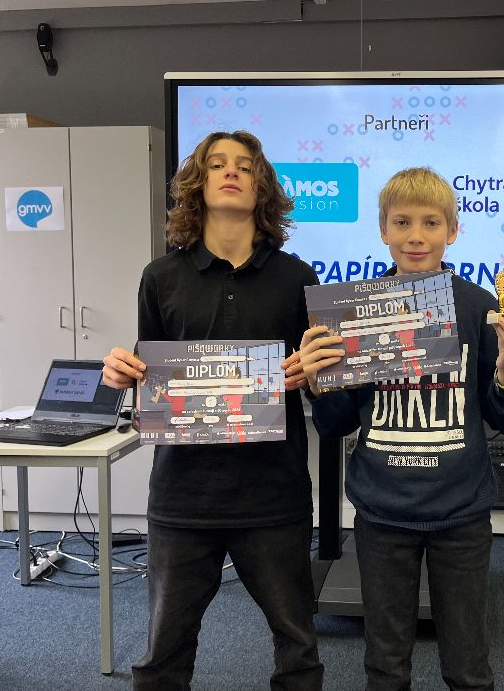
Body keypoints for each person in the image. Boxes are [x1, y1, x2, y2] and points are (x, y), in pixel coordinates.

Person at [101, 130, 324, 691]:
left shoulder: (297, 277)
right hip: (183, 495)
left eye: (245, 166)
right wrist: (122, 376)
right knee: (162, 655)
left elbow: (319, 380)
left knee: (298, 649)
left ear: (261, 187)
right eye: (219, 164)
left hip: (274, 494)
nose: (232, 172)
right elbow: (151, 380)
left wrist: (314, 374)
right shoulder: (160, 277)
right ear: (197, 184)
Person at [298, 167, 504, 691]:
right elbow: (336, 425)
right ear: (383, 230)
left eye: (431, 223)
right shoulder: (356, 312)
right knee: (385, 663)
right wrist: (318, 384)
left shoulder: (477, 306)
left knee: (468, 665)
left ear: (453, 231)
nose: (416, 236)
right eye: (402, 222)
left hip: (461, 514)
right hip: (383, 513)